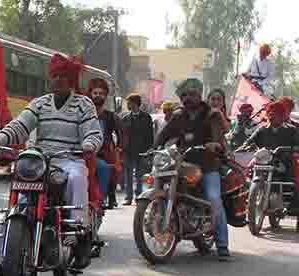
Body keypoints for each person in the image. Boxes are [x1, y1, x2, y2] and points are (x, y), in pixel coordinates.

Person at [0, 54, 103, 276]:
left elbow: (93, 132)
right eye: (54, 76)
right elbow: (21, 124)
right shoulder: (40, 103)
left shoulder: (83, 104)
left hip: (69, 158)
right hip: (39, 159)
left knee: (78, 177)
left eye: (61, 77)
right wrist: (0, 138)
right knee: (13, 209)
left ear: (70, 80)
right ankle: (0, 268)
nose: (56, 81)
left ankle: (77, 234)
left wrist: (89, 144)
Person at [155, 78, 230, 256]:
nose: (188, 98)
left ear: (199, 95)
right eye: (185, 95)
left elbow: (218, 135)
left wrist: (215, 144)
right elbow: (164, 134)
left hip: (207, 165)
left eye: (192, 94)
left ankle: (222, 244)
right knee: (161, 181)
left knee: (213, 199)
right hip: (182, 163)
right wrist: (154, 146)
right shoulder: (178, 115)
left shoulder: (212, 114)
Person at [237, 99, 299, 210]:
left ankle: (291, 204)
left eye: (275, 113)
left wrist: (286, 149)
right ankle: (246, 196)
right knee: (246, 174)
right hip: (263, 159)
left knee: (293, 182)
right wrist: (241, 148)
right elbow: (249, 141)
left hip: (284, 161)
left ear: (282, 116)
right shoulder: (262, 129)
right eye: (270, 112)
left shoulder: (291, 130)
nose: (272, 115)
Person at [86, 78, 124, 210]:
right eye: (95, 93)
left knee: (108, 169)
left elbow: (121, 135)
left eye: (101, 94)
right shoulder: (83, 113)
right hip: (83, 152)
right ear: (90, 94)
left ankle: (102, 199)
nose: (98, 96)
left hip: (103, 154)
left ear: (105, 96)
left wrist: (118, 151)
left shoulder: (110, 116)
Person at [120, 94, 155, 205]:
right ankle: (128, 197)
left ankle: (139, 195)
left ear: (135, 103)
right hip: (128, 150)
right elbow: (122, 134)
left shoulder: (146, 117)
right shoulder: (125, 118)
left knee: (140, 175)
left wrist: (150, 149)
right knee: (128, 175)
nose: (128, 105)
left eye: (129, 102)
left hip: (142, 150)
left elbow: (150, 135)